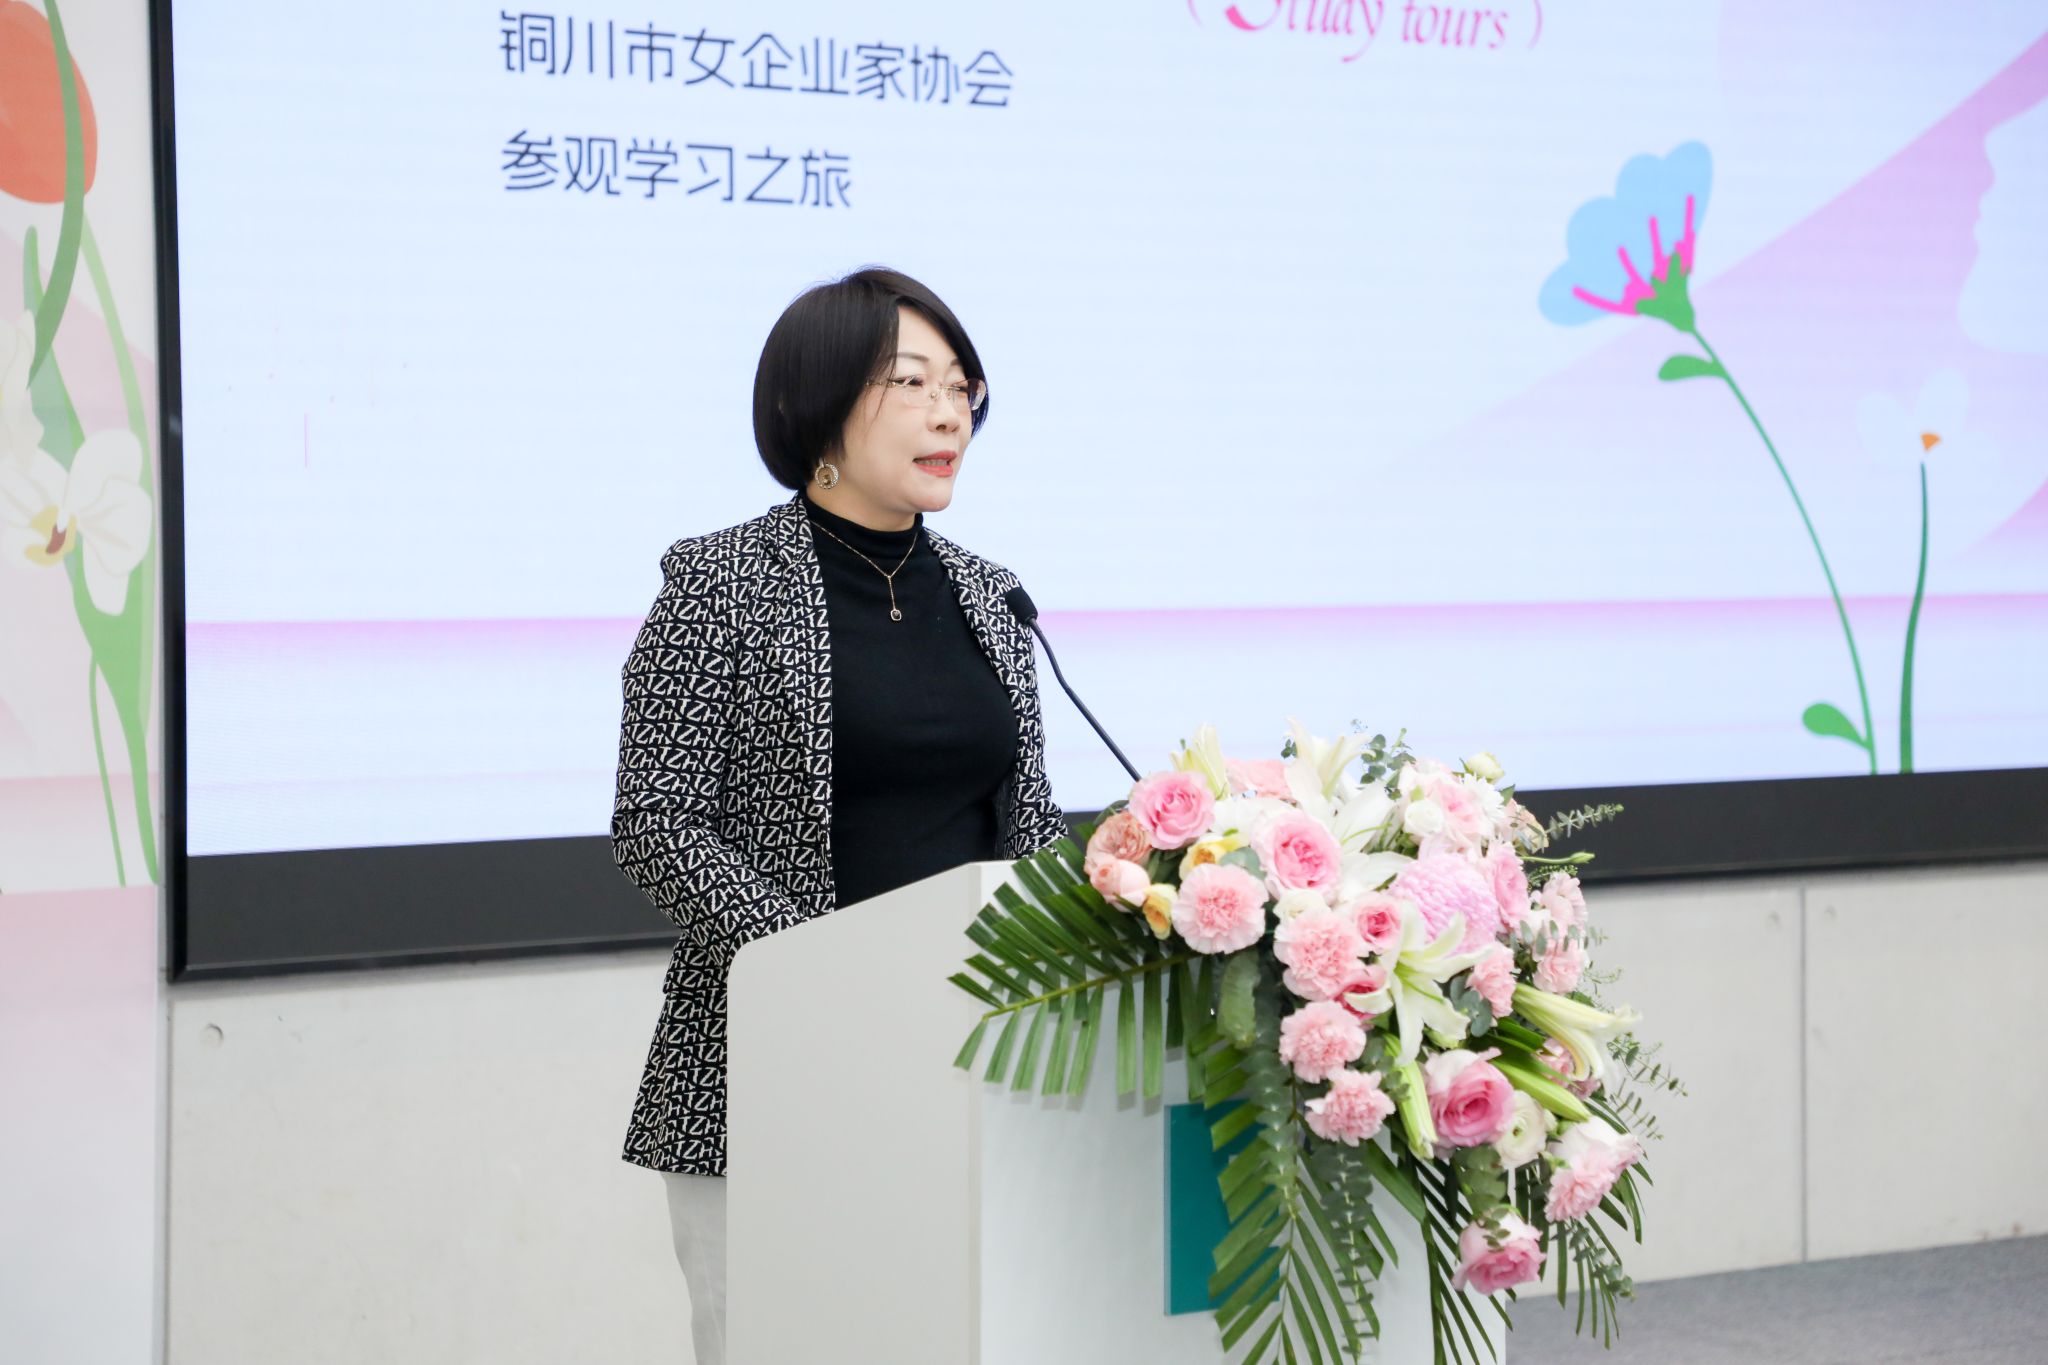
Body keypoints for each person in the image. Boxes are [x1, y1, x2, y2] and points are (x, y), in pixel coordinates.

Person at [608, 267, 1069, 1363]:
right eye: (911, 382)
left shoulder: (991, 594)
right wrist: (831, 970)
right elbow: (657, 819)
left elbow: (1026, 818)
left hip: (974, 1068)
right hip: (776, 1066)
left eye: (960, 387)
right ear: (817, 402)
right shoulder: (719, 582)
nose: (948, 413)